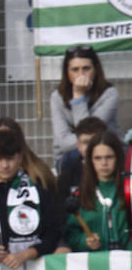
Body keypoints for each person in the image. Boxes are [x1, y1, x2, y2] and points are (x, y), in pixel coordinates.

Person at [0, 130, 63, 270]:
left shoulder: (38, 192)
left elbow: (53, 234)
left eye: (9, 158)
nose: (5, 165)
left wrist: (26, 254)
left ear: (20, 157)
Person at [50, 46, 120, 176]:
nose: (81, 75)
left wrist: (78, 97)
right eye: (75, 70)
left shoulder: (110, 94)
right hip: (69, 155)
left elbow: (91, 133)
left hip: (105, 153)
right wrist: (78, 95)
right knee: (76, 157)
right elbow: (63, 142)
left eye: (86, 69)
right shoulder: (57, 97)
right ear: (67, 72)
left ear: (96, 69)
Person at [65, 133, 129, 252]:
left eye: (109, 157)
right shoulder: (80, 196)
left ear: (118, 157)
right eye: (98, 158)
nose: (104, 163)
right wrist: (85, 241)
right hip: (96, 266)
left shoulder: (128, 190)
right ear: (90, 160)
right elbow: (70, 235)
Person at [57, 116, 107, 202]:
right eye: (86, 142)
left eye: (95, 141)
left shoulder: (118, 171)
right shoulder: (68, 176)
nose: (91, 147)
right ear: (78, 146)